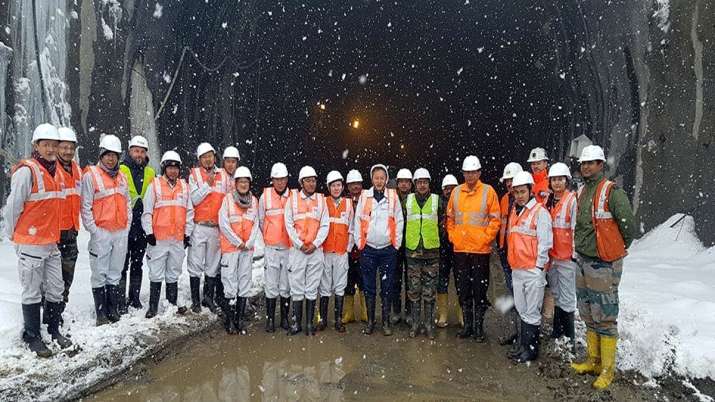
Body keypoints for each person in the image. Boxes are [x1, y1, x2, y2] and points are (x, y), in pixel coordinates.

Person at [571, 145, 635, 390]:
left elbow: (627, 224)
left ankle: (608, 370)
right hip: (584, 259)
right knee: (587, 311)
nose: (586, 167)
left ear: (601, 165)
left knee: (605, 315)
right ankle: (593, 360)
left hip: (603, 262)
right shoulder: (582, 190)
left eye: (591, 163)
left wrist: (615, 248)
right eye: (583, 163)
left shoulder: (612, 191)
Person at [5, 124, 72, 357]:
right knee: (32, 291)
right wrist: (14, 236)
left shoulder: (57, 172)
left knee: (56, 288)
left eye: (54, 145)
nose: (51, 149)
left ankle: (53, 329)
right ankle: (32, 336)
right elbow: (13, 206)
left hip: (50, 242)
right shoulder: (27, 171)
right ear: (36, 146)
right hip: (31, 242)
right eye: (46, 144)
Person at [446, 155, 500, 343]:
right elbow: (450, 219)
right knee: (463, 289)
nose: (470, 175)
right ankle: (467, 326)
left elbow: (495, 220)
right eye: (467, 172)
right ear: (463, 173)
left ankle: (479, 328)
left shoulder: (488, 191)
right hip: (461, 251)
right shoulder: (456, 192)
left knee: (479, 290)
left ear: (479, 172)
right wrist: (453, 237)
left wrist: (485, 239)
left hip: (480, 252)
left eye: (473, 172)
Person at [81, 134, 132, 326]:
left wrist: (127, 226)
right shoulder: (91, 175)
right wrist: (94, 230)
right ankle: (100, 313)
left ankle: (112, 308)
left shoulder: (122, 177)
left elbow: (127, 202)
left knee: (115, 271)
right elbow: (85, 206)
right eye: (108, 155)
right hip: (101, 231)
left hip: (120, 232)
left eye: (115, 155)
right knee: (99, 272)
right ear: (101, 155)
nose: (111, 159)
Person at [506, 171, 552, 363]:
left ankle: (531, 350)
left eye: (522, 192)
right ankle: (523, 346)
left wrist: (539, 268)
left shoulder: (540, 213)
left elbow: (545, 243)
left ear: (530, 191)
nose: (519, 195)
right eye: (516, 192)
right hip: (517, 269)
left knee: (532, 312)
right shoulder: (516, 212)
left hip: (532, 270)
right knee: (522, 309)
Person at [141, 151, 194, 318]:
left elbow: (190, 212)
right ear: (164, 168)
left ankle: (171, 304)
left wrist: (187, 233)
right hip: (158, 239)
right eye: (170, 167)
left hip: (177, 239)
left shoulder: (185, 187)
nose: (173, 171)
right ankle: (153, 307)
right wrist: (149, 232)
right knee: (156, 272)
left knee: (173, 271)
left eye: (176, 168)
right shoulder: (154, 185)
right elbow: (147, 211)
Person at [354, 164, 404, 336]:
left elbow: (399, 220)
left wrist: (395, 244)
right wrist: (360, 243)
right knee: (369, 287)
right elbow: (357, 221)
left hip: (387, 251)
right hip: (368, 250)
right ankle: (370, 322)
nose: (379, 181)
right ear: (372, 179)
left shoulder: (393, 196)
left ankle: (386, 322)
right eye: (376, 178)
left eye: (382, 178)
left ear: (386, 179)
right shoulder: (364, 197)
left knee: (387, 286)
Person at [284, 166, 330, 336]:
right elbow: (288, 224)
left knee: (311, 287)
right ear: (301, 182)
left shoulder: (321, 200)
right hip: (298, 251)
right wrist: (299, 244)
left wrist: (315, 244)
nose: (311, 184)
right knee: (296, 286)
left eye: (313, 180)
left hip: (315, 250)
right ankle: (296, 323)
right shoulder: (292, 200)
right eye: (308, 180)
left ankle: (309, 323)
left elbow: (325, 225)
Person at [187, 142, 230, 313]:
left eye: (210, 156)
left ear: (214, 157)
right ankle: (195, 301)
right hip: (199, 226)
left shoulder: (224, 176)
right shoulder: (194, 175)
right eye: (204, 157)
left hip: (216, 227)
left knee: (213, 265)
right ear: (199, 159)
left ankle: (208, 298)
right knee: (195, 263)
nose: (208, 160)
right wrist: (207, 185)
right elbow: (194, 199)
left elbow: (228, 201)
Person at [219, 166, 260, 334]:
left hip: (247, 249)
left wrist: (249, 242)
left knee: (244, 282)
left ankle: (239, 319)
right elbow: (223, 224)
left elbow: (256, 223)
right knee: (229, 283)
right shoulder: (227, 200)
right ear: (235, 183)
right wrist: (238, 242)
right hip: (231, 249)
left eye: (246, 181)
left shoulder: (254, 201)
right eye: (240, 181)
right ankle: (229, 320)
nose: (243, 184)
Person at [119, 135, 155, 313]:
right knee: (122, 264)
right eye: (136, 151)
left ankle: (134, 298)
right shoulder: (120, 169)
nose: (139, 154)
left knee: (137, 263)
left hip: (142, 225)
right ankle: (120, 301)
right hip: (125, 223)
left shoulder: (150, 173)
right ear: (130, 152)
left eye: (141, 151)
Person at [404, 168, 441, 339]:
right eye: (419, 182)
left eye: (425, 182)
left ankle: (428, 324)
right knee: (414, 290)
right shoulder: (407, 200)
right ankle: (415, 324)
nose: (422, 185)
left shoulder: (437, 201)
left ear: (429, 183)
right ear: (415, 184)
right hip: (412, 253)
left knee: (430, 291)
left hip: (431, 253)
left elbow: (443, 223)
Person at [543, 163, 578, 344]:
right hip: (552, 257)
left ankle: (569, 336)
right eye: (554, 180)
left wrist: (574, 254)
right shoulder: (548, 200)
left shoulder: (572, 200)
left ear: (566, 181)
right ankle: (558, 332)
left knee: (567, 297)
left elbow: (574, 229)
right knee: (556, 294)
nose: (557, 183)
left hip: (566, 257)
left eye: (560, 179)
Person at [317, 171, 354, 333]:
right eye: (333, 185)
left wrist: (348, 248)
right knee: (324, 286)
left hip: (341, 252)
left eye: (338, 185)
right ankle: (323, 319)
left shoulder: (348, 204)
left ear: (342, 186)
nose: (336, 188)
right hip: (325, 251)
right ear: (328, 187)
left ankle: (338, 320)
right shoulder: (323, 202)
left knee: (340, 285)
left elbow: (352, 229)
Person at [258, 162, 292, 332]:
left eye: (283, 179)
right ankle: (270, 319)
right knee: (271, 285)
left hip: (288, 248)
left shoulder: (293, 196)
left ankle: (284, 318)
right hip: (271, 248)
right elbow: (261, 220)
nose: (280, 182)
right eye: (277, 179)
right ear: (272, 180)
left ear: (287, 179)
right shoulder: (265, 197)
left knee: (285, 285)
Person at [55, 127, 81, 319]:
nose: (67, 151)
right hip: (53, 232)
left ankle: (59, 312)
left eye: (71, 148)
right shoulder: (50, 170)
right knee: (51, 278)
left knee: (67, 276)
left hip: (71, 231)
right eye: (64, 147)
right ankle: (48, 317)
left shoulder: (77, 170)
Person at [496, 162, 523, 348]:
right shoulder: (505, 199)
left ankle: (525, 338)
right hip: (506, 253)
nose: (509, 184)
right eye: (507, 181)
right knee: (512, 295)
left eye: (512, 180)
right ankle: (516, 333)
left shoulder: (529, 202)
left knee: (523, 297)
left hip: (521, 256)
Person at [215, 146, 240, 311]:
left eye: (233, 162)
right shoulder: (218, 176)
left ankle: (232, 297)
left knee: (233, 265)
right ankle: (220, 296)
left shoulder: (239, 178)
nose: (230, 165)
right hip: (218, 225)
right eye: (228, 161)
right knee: (218, 264)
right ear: (223, 162)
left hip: (235, 228)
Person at [342, 169, 368, 324]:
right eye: (352, 184)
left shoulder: (367, 199)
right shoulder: (345, 201)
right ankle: (349, 313)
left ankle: (365, 313)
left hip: (364, 248)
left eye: (358, 183)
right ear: (348, 186)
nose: (355, 187)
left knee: (364, 282)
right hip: (347, 249)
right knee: (348, 282)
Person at [436, 174, 459, 328]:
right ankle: (443, 314)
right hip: (442, 247)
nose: (449, 191)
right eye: (446, 188)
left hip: (458, 247)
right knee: (442, 281)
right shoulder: (437, 203)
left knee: (461, 282)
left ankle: (461, 315)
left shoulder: (462, 203)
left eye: (452, 188)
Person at [393, 168, 413, 325]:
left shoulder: (414, 199)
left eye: (407, 182)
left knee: (410, 280)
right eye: (401, 182)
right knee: (395, 279)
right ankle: (396, 311)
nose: (404, 184)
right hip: (395, 244)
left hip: (410, 243)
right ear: (397, 183)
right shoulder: (392, 198)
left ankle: (409, 312)